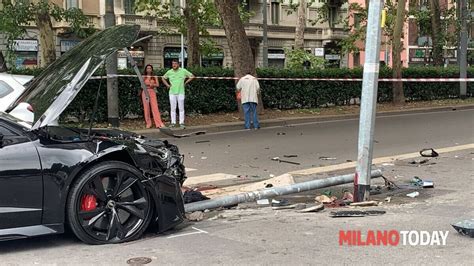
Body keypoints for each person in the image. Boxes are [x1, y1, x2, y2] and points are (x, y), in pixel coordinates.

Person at [161, 60, 195, 128]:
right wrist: (167, 85)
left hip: (181, 92)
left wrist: (186, 82)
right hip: (172, 92)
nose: (174, 65)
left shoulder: (183, 71)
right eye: (173, 64)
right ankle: (173, 122)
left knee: (181, 108)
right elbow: (163, 78)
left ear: (178, 64)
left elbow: (192, 76)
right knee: (173, 108)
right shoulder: (169, 72)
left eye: (175, 64)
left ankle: (181, 123)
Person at [141, 64, 165, 128]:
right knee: (146, 108)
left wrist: (153, 84)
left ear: (152, 69)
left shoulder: (154, 76)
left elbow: (157, 84)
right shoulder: (144, 76)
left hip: (152, 91)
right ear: (146, 69)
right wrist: (148, 84)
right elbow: (141, 86)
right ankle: (148, 123)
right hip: (145, 92)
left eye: (150, 68)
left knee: (155, 107)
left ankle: (159, 123)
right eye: (147, 68)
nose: (149, 69)